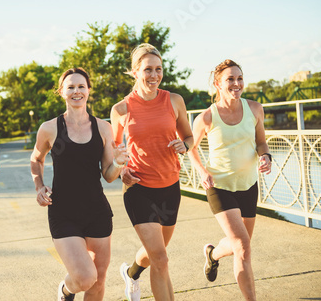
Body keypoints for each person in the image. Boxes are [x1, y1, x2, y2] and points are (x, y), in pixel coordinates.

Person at [30, 68, 129, 301]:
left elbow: (108, 175)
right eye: (71, 87)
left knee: (99, 279)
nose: (76, 91)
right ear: (62, 92)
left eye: (81, 86)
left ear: (88, 90)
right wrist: (39, 186)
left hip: (97, 211)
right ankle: (66, 290)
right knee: (85, 278)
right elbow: (36, 158)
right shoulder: (50, 128)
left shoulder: (103, 128)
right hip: (63, 212)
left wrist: (118, 163)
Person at [110, 43, 194, 301]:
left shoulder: (174, 100)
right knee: (161, 259)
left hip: (170, 186)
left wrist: (185, 145)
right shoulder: (121, 109)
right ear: (135, 72)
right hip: (139, 188)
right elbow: (114, 151)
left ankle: (132, 273)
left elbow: (189, 137)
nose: (154, 75)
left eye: (158, 69)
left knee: (156, 254)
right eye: (148, 69)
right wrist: (121, 169)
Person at [187, 59, 272, 301]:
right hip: (219, 186)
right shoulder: (206, 117)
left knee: (240, 246)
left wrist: (265, 156)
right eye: (230, 79)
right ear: (217, 84)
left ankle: (212, 255)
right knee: (243, 247)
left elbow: (261, 142)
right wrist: (203, 171)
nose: (236, 84)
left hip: (248, 184)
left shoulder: (255, 109)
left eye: (239, 78)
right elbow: (191, 148)